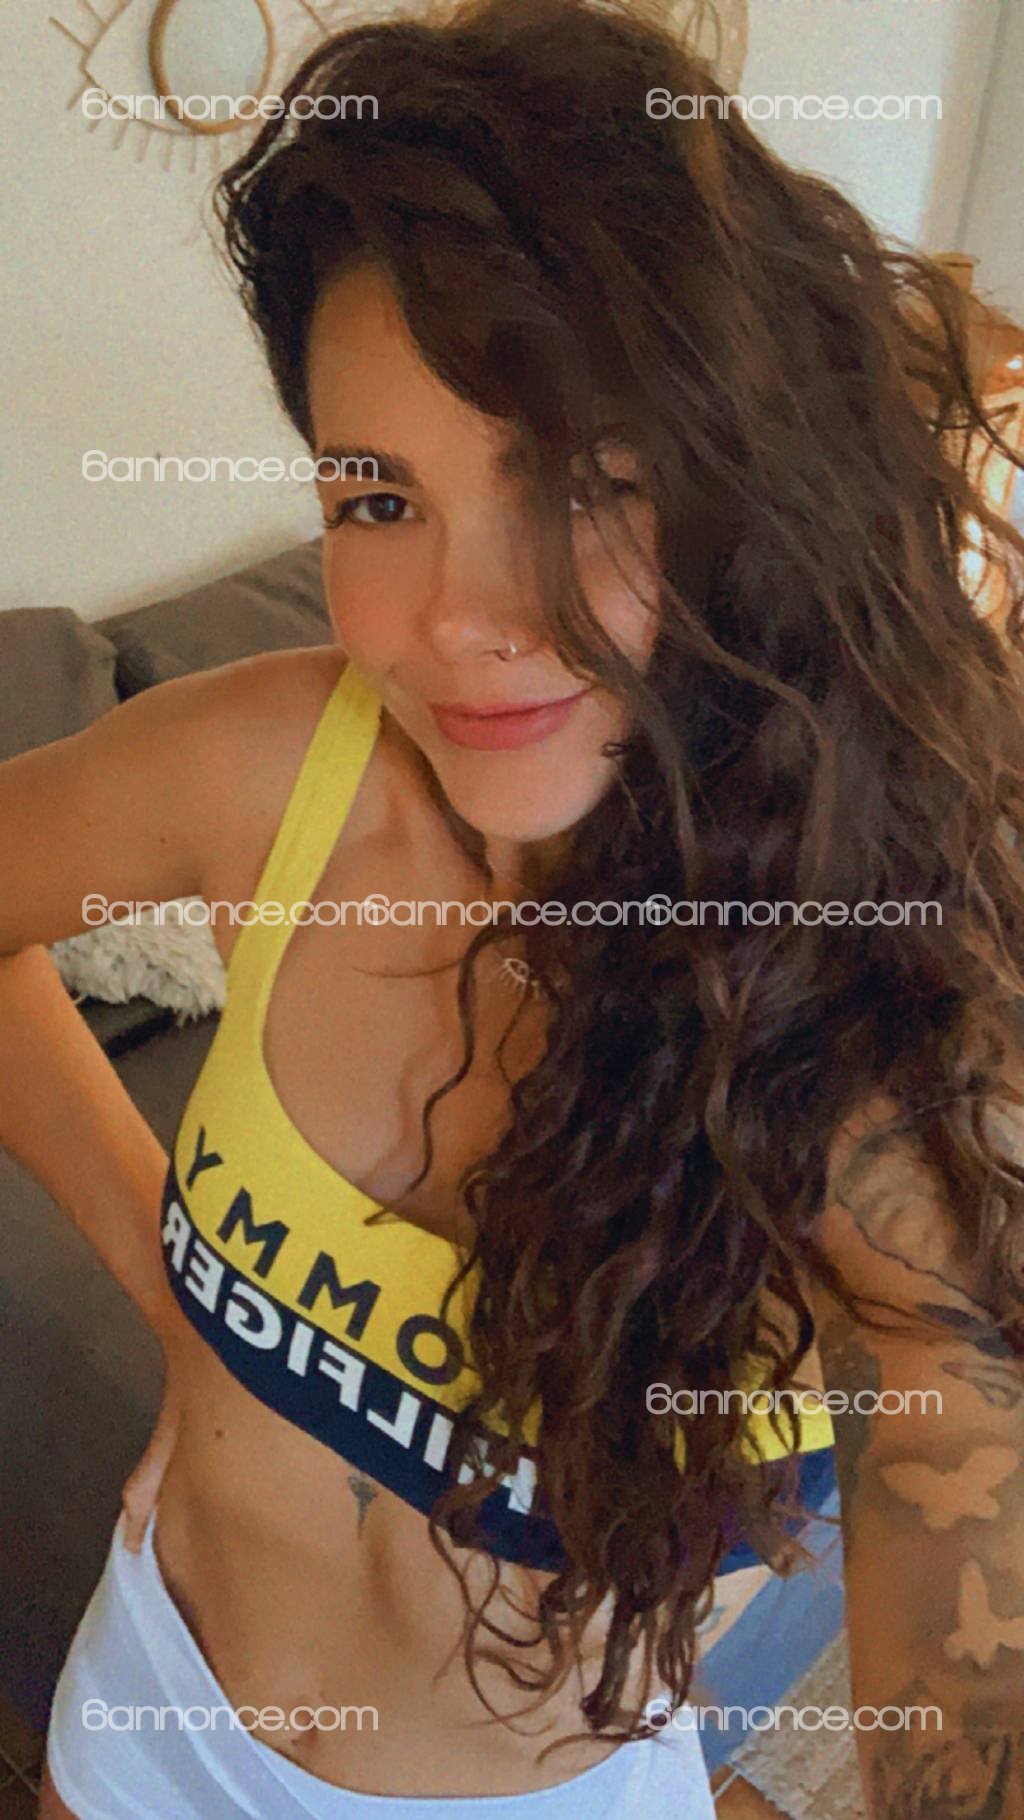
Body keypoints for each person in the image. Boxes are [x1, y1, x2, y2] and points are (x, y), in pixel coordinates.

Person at [2, 0, 1021, 1813]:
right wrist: (169, 1288)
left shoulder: (877, 1009)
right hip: (151, 1711)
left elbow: (958, 1416)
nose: (461, 619)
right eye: (377, 497)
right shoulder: (268, 772)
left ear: (751, 492)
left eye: (586, 482)